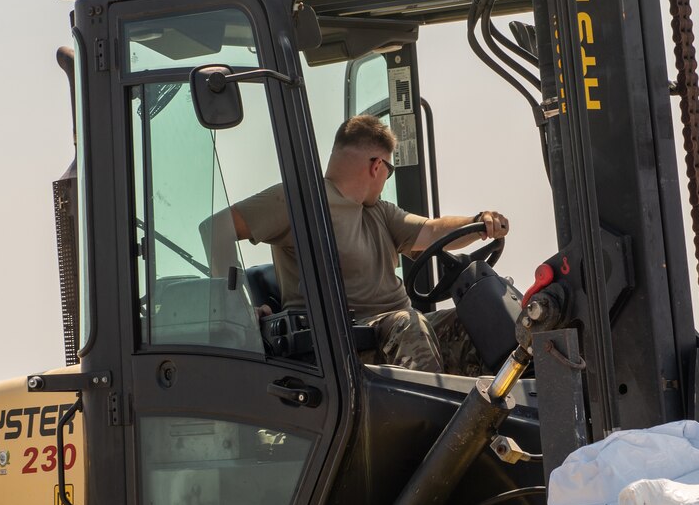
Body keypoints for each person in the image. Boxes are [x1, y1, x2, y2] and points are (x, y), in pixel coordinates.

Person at [211, 114, 509, 372]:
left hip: (396, 330)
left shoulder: (379, 211)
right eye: (388, 171)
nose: (386, 180)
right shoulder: (300, 201)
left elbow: (432, 231)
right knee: (410, 324)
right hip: (339, 340)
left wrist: (478, 222)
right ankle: (434, 435)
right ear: (376, 166)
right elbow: (217, 229)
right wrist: (235, 308)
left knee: (483, 317)